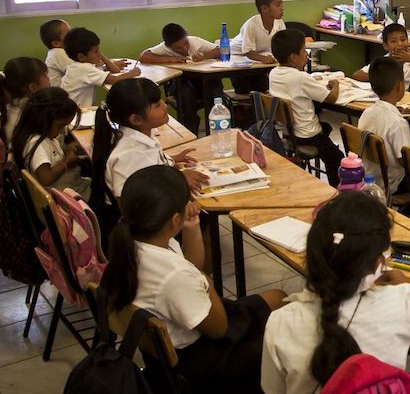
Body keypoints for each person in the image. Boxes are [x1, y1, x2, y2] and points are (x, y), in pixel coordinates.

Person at [261, 192, 410, 393]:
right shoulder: (402, 300)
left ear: (312, 255)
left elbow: (273, 389)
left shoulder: (279, 321)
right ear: (377, 263)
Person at [100, 166, 286, 392]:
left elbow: (190, 270)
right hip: (200, 363)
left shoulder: (134, 246)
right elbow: (219, 328)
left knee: (279, 297)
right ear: (174, 219)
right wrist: (202, 278)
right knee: (284, 328)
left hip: (175, 346)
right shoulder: (174, 274)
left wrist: (191, 227)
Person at [90, 78, 206, 216]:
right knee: (198, 212)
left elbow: (150, 166)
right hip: (138, 222)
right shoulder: (129, 154)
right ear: (136, 119)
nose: (164, 105)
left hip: (153, 211)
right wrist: (179, 180)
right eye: (157, 105)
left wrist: (172, 160)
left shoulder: (141, 134)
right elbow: (127, 205)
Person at [268, 29, 345, 186]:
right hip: (307, 135)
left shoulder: (273, 73)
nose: (307, 54)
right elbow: (331, 98)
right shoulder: (300, 78)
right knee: (337, 157)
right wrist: (335, 84)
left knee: (326, 128)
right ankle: (337, 190)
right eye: (304, 50)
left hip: (287, 133)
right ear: (293, 57)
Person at [139, 23, 223, 134]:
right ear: (167, 45)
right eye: (178, 48)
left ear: (187, 35)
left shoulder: (194, 41)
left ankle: (217, 129)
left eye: (185, 43)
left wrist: (204, 56)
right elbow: (143, 56)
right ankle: (191, 131)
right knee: (185, 93)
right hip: (181, 83)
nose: (184, 48)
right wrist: (171, 59)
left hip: (201, 82)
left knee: (215, 88)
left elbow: (219, 50)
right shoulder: (163, 48)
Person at [357, 57, 410, 195]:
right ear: (399, 86)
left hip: (371, 178)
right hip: (393, 183)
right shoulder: (398, 123)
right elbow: (408, 164)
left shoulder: (367, 112)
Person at [11, 87, 89, 194]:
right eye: (60, 126)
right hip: (68, 196)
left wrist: (66, 152)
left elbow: (51, 159)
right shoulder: (37, 144)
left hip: (70, 187)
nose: (62, 131)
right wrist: (66, 162)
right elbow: (46, 178)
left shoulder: (43, 138)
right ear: (43, 120)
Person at [61, 27, 141, 107]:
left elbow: (115, 70)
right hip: (78, 110)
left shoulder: (76, 65)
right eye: (96, 51)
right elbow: (115, 80)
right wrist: (132, 73)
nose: (99, 54)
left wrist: (99, 54)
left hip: (71, 108)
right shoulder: (85, 69)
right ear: (81, 57)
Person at [351, 24, 410, 91]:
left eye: (403, 40)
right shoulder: (383, 61)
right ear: (385, 45)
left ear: (408, 41)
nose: (399, 44)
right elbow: (356, 75)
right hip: (389, 97)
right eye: (394, 41)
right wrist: (380, 76)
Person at [40, 19, 125, 88]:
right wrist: (109, 65)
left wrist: (107, 65)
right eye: (68, 33)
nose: (72, 36)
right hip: (60, 99)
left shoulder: (59, 53)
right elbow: (86, 69)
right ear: (56, 43)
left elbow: (89, 68)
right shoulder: (57, 53)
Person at [231, 0, 285, 94]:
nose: (282, 8)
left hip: (258, 57)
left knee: (262, 87)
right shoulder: (251, 24)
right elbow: (248, 52)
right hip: (238, 56)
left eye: (281, 4)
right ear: (264, 9)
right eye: (277, 5)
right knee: (244, 90)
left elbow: (282, 45)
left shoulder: (280, 23)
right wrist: (264, 59)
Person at [0, 56, 50, 145]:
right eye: (45, 76)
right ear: (33, 87)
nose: (49, 79)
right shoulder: (40, 116)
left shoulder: (0, 117)